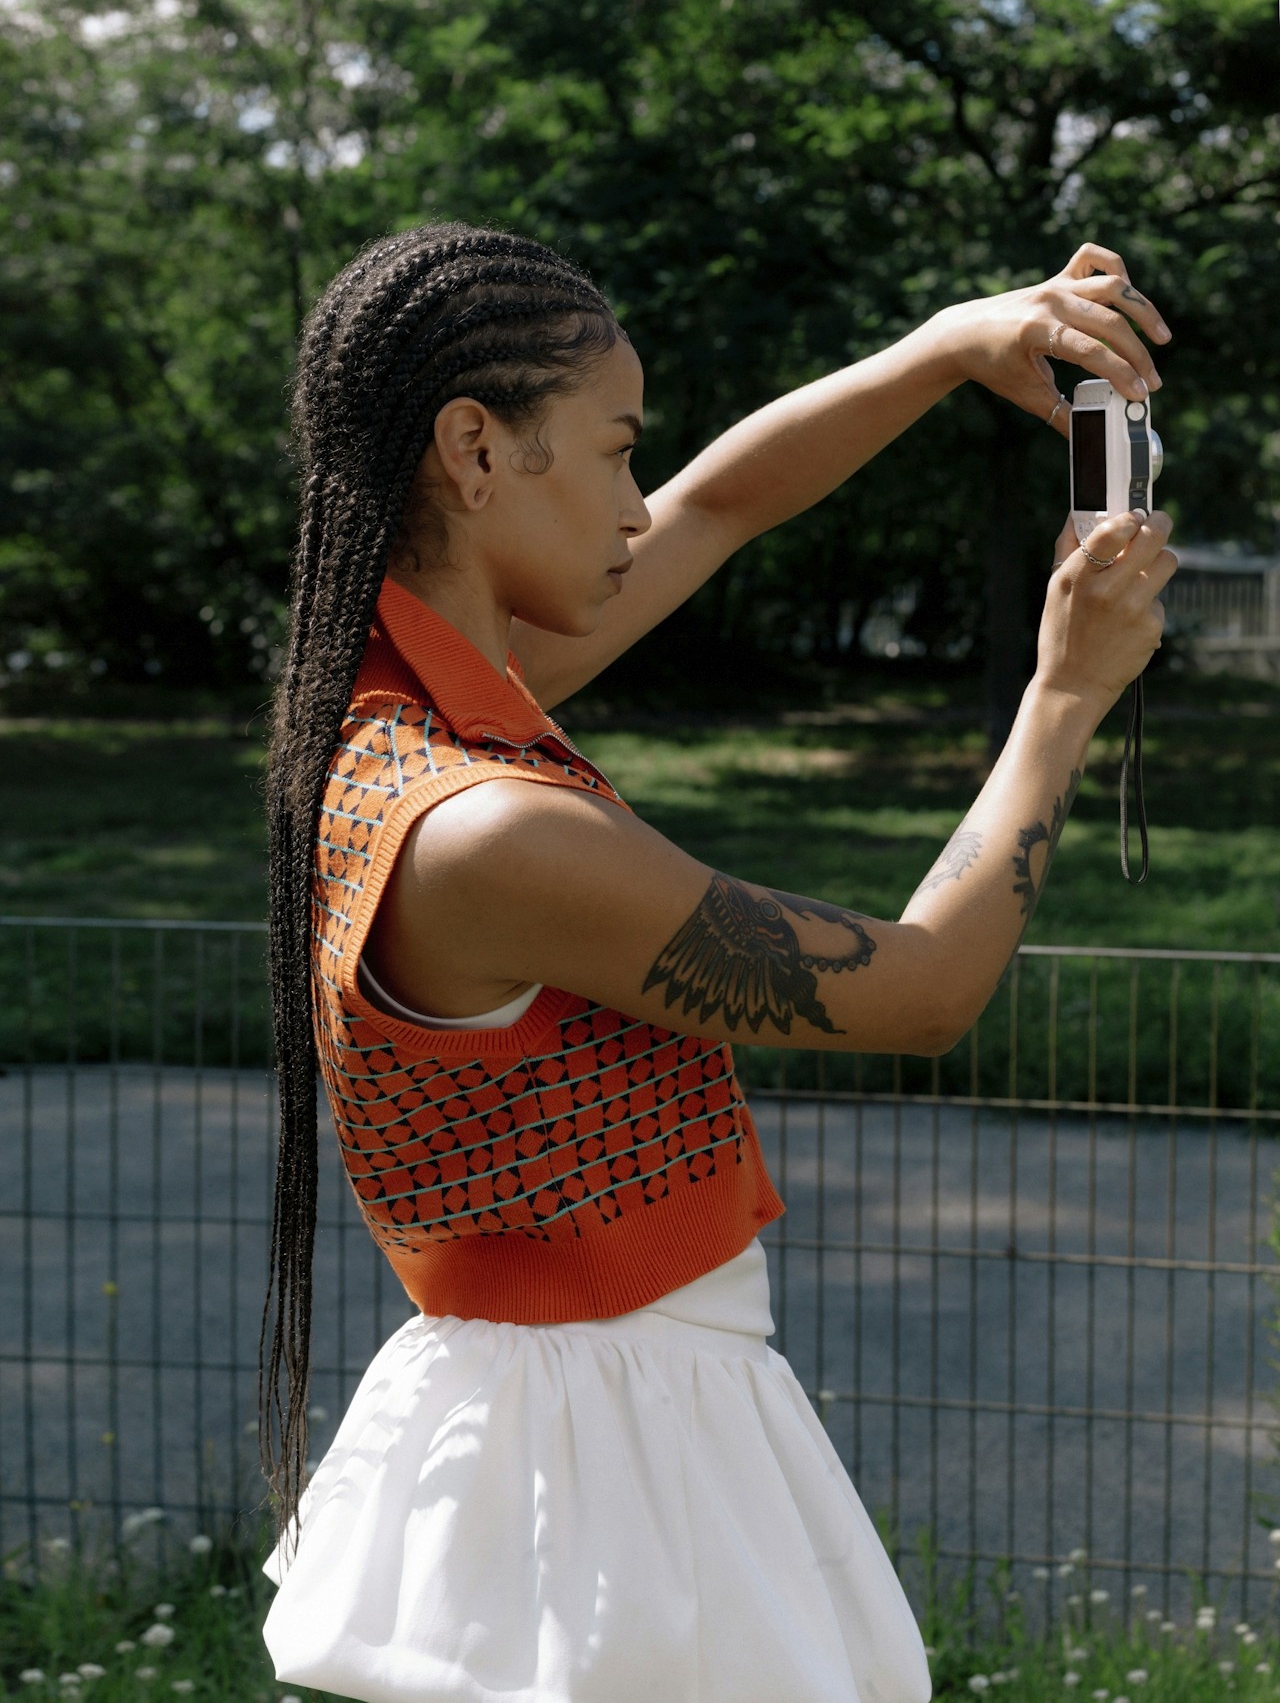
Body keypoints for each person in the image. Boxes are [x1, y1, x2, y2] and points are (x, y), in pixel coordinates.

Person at [258, 221, 1174, 1703]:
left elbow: (726, 502)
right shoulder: (489, 831)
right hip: (616, 1466)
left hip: (572, 1413)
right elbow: (923, 990)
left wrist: (946, 347)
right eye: (617, 451)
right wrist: (1064, 697)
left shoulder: (397, 707)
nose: (640, 502)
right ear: (477, 449)